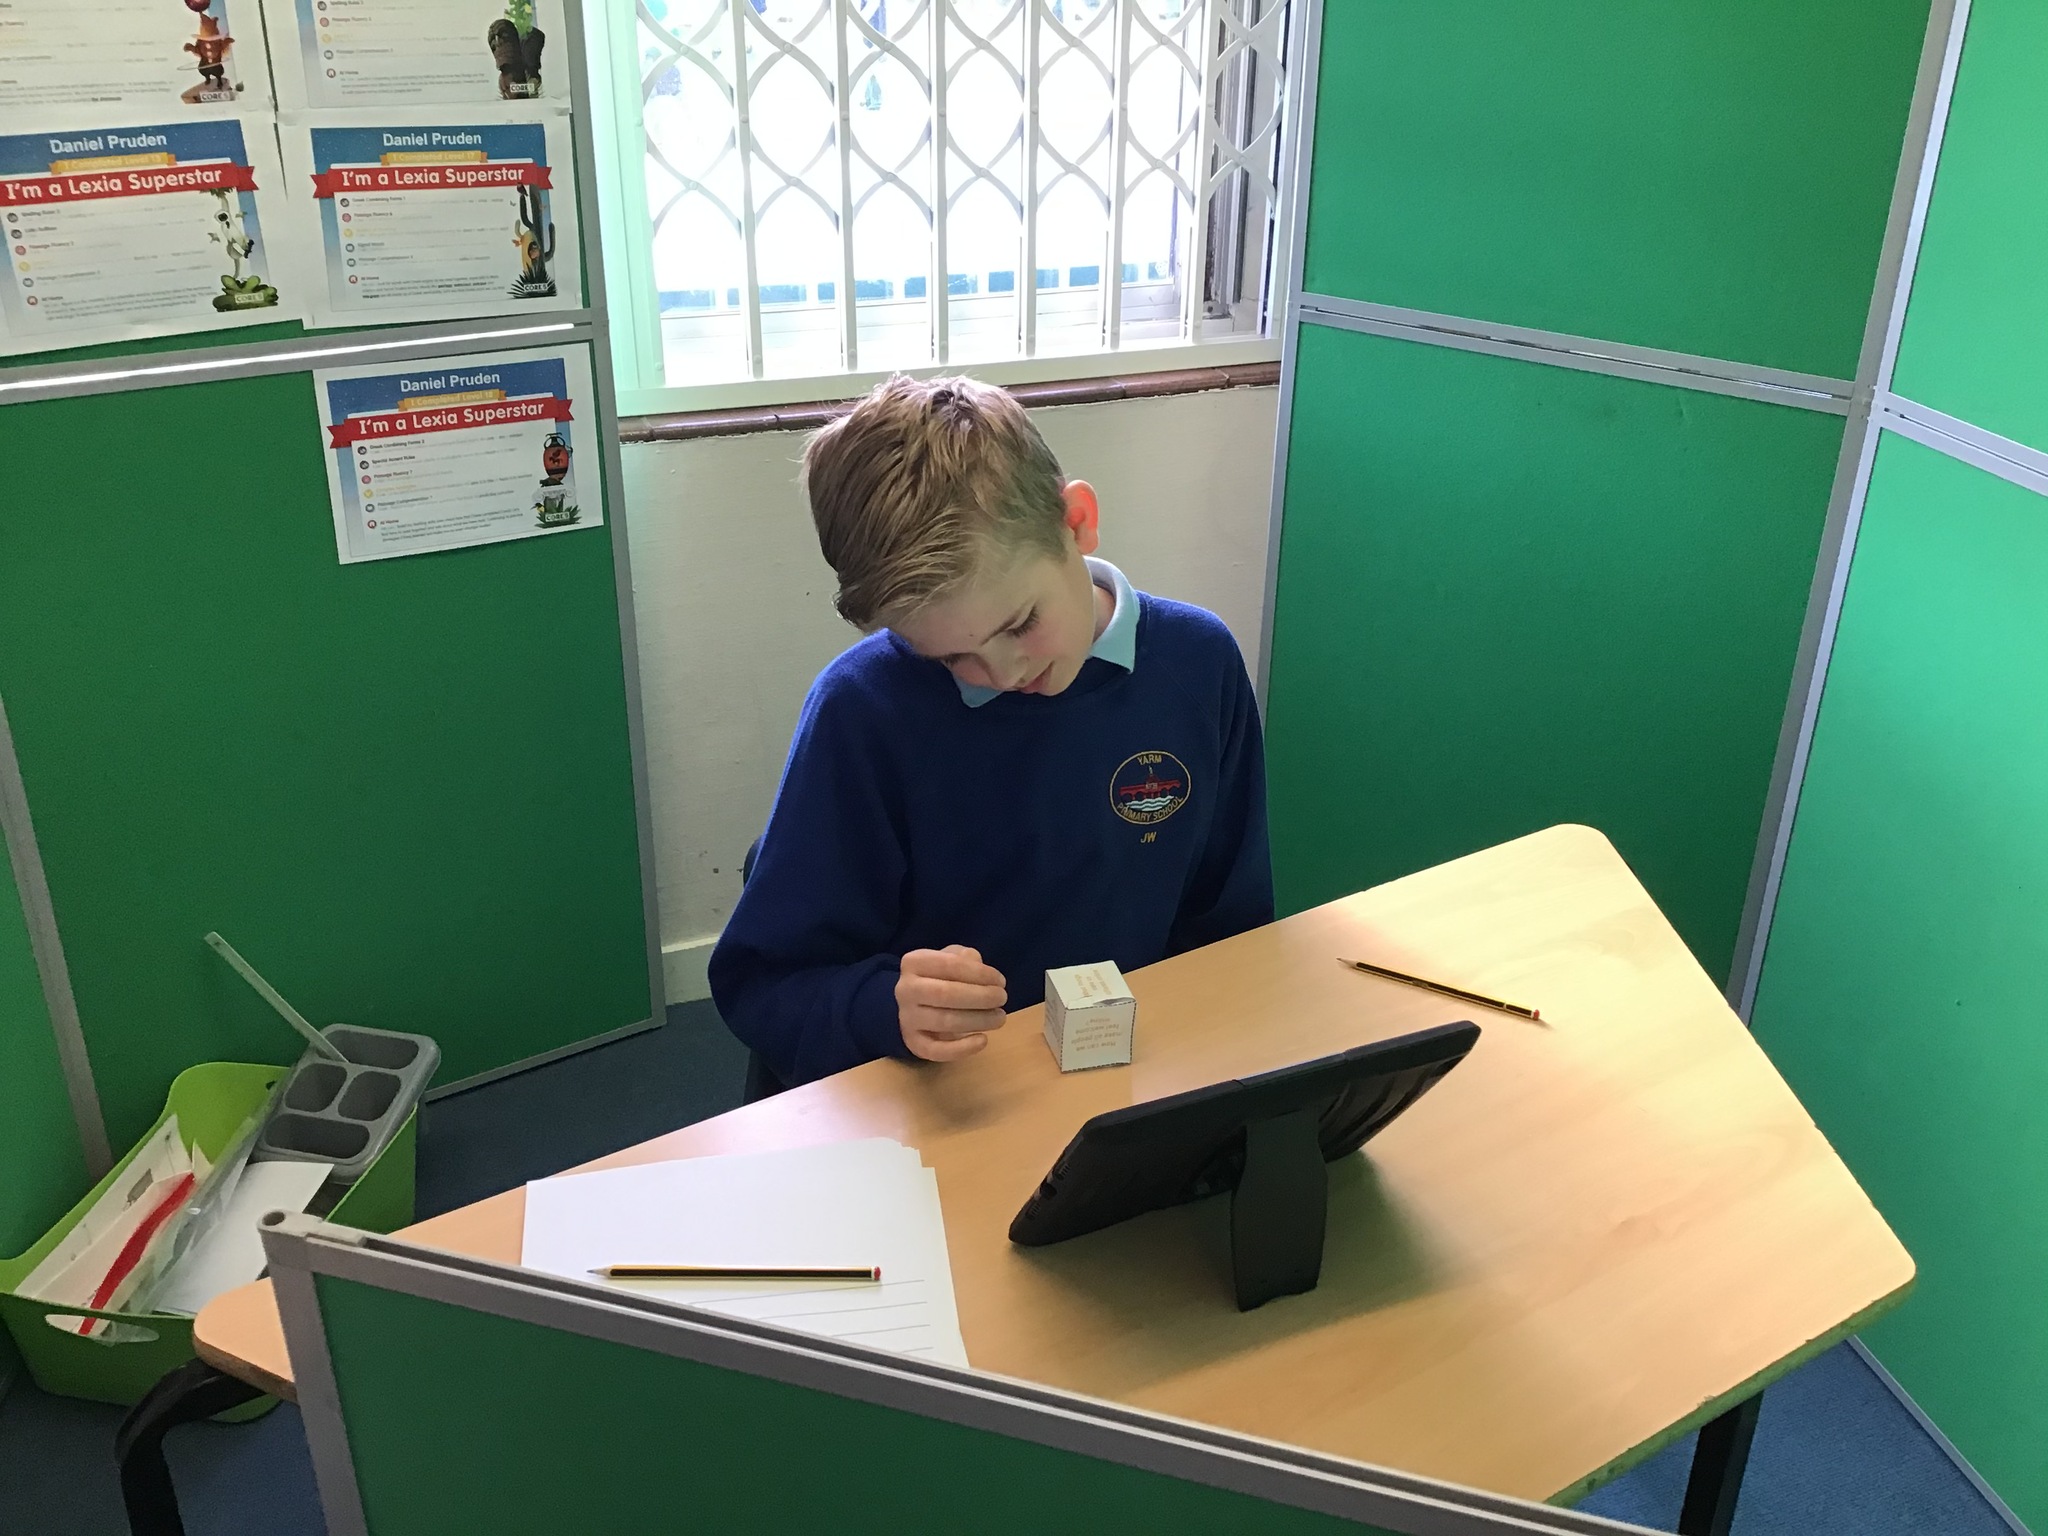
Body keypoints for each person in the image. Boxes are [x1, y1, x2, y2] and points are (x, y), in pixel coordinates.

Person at [708, 374, 1272, 1088]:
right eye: (949, 657)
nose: (1003, 673)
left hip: (1137, 1078)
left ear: (1077, 523)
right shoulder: (863, 710)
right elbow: (763, 983)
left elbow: (1233, 929)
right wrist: (882, 1008)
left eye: (1021, 623)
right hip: (946, 1100)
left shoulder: (1198, 664)